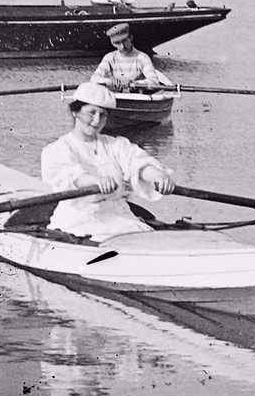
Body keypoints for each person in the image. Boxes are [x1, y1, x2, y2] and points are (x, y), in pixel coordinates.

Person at [41, 82, 176, 241]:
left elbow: (138, 163)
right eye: (91, 112)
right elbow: (72, 175)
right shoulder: (57, 150)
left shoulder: (115, 144)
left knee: (147, 237)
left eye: (103, 114)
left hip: (118, 215)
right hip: (79, 220)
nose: (97, 121)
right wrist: (96, 181)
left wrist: (159, 176)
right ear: (75, 112)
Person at [91, 22, 172, 93]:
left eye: (124, 41)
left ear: (131, 38)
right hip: (118, 95)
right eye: (117, 43)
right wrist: (111, 81)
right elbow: (94, 79)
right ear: (112, 44)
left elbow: (154, 82)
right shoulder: (109, 58)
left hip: (138, 95)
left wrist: (134, 83)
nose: (122, 46)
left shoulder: (142, 58)